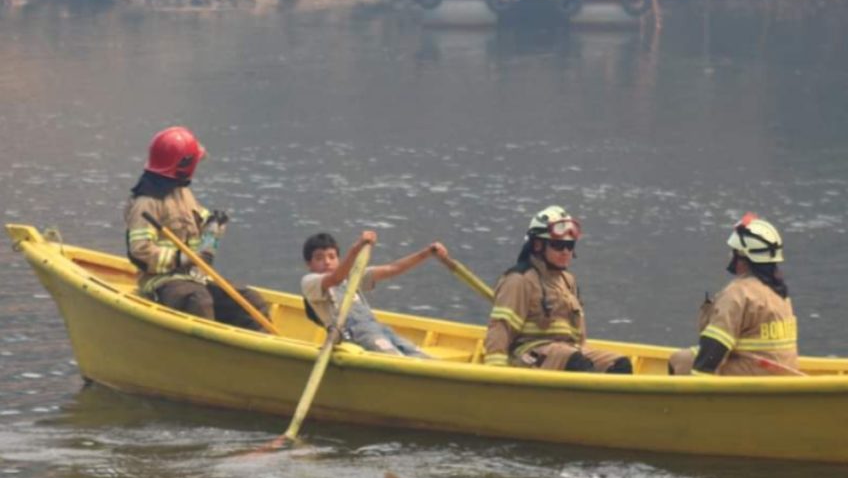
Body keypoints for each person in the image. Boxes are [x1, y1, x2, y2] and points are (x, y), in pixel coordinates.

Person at [124, 126, 269, 330]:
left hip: (195, 277)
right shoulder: (146, 203)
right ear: (185, 165)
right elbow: (139, 252)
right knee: (198, 302)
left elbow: (197, 228)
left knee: (251, 300)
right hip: (161, 281)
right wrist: (182, 258)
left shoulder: (183, 192)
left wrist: (213, 228)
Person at [482, 205, 632, 373]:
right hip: (529, 355)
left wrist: (585, 354)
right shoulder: (519, 280)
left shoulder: (568, 281)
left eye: (570, 245)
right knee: (575, 362)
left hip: (568, 351)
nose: (566, 251)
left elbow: (579, 337)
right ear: (538, 245)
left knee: (620, 364)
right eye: (558, 245)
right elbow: (501, 328)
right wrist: (497, 372)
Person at [668, 213, 799, 376]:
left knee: (680, 359)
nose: (730, 255)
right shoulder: (780, 293)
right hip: (784, 372)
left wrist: (698, 382)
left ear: (744, 257)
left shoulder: (738, 293)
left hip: (752, 376)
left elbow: (715, 346)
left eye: (734, 251)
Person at [301, 231, 448, 357]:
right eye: (319, 258)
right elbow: (335, 279)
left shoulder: (352, 276)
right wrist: (356, 248)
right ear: (309, 264)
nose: (327, 262)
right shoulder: (310, 281)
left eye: (332, 257)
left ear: (338, 259)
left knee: (419, 355)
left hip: (377, 327)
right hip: (353, 333)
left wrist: (427, 253)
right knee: (395, 358)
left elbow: (392, 269)